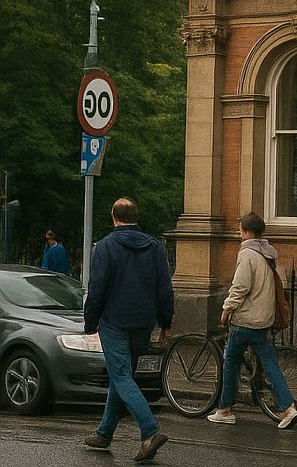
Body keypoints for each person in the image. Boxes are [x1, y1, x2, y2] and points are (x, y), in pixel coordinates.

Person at [83, 198, 173, 463]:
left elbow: (97, 288)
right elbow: (165, 289)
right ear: (136, 216)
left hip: (115, 322)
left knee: (121, 376)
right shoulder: (156, 248)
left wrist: (90, 322)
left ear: (114, 217)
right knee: (121, 376)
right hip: (143, 323)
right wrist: (165, 322)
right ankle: (104, 433)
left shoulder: (105, 247)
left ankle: (150, 430)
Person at [207, 211, 297, 428]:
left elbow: (240, 286)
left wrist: (227, 308)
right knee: (270, 364)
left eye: (240, 230)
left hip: (245, 321)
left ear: (247, 232)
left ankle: (224, 409)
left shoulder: (247, 254)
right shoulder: (269, 254)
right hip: (264, 321)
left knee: (230, 361)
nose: (238, 233)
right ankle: (289, 407)